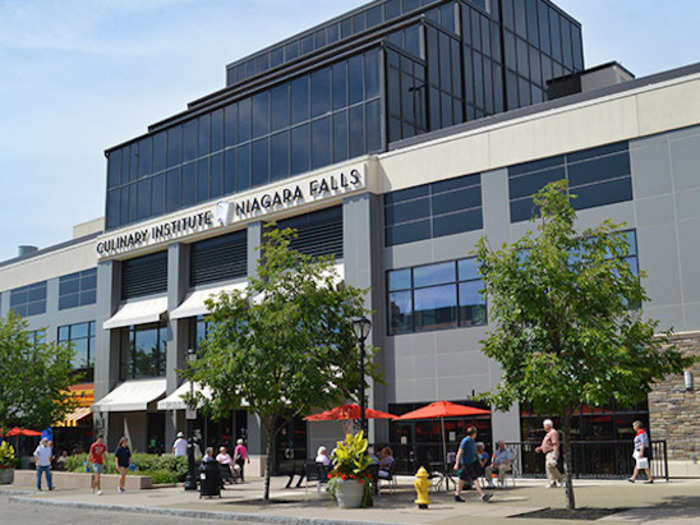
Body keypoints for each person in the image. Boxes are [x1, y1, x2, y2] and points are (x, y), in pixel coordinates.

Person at [453, 426, 492, 502]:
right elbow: (460, 452)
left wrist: (479, 460)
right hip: (466, 463)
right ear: (473, 433)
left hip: (471, 462)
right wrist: (456, 464)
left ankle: (457, 495)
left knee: (462, 479)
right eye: (475, 433)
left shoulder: (472, 441)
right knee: (475, 478)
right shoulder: (465, 441)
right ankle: (482, 495)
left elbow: (474, 452)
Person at [535, 419, 562, 488]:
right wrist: (540, 448)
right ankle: (552, 481)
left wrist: (555, 454)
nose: (544, 427)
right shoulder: (548, 433)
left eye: (544, 426)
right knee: (548, 467)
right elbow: (547, 443)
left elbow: (555, 443)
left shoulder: (553, 432)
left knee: (550, 465)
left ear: (548, 426)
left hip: (551, 452)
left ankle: (559, 478)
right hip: (547, 452)